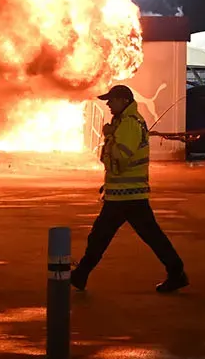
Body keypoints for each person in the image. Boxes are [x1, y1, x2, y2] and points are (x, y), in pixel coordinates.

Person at [69, 84, 188, 294]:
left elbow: (118, 159)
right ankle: (81, 275)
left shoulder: (128, 125)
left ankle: (81, 274)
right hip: (125, 194)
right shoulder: (125, 122)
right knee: (120, 236)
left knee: (103, 236)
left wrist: (108, 137)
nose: (108, 104)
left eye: (111, 100)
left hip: (127, 197)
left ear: (124, 101)